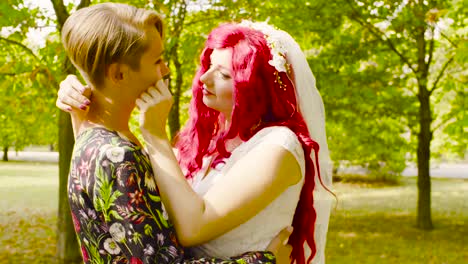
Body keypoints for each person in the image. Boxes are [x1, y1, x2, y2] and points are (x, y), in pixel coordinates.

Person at [58, 20, 333, 264]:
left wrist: (155, 135)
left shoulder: (278, 147)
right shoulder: (204, 144)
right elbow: (124, 192)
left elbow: (192, 228)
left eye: (224, 75)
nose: (203, 78)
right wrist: (84, 104)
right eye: (209, 66)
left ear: (256, 85)